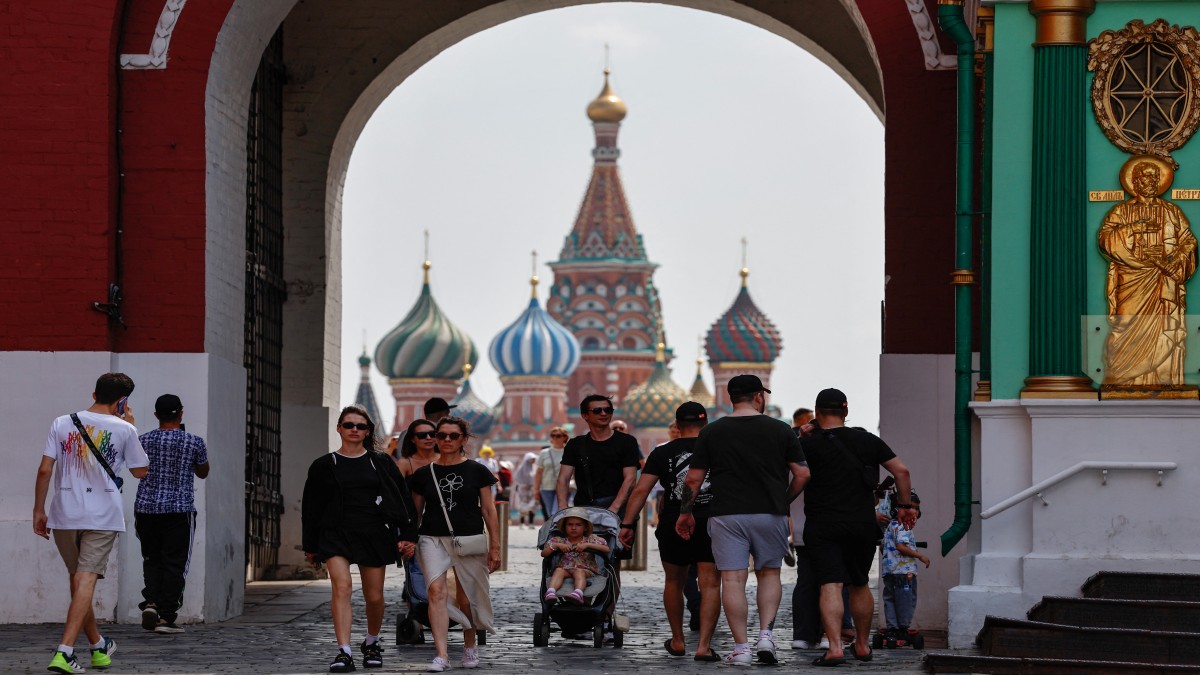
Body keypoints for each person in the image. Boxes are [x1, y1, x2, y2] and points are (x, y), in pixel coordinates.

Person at [676, 374, 808, 666]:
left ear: (731, 397)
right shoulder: (780, 429)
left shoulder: (712, 431)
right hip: (769, 512)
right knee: (769, 573)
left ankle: (742, 648)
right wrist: (783, 500)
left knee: (733, 579)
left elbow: (694, 478)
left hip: (726, 514)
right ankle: (765, 636)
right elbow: (802, 474)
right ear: (759, 396)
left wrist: (685, 512)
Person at [34, 373, 150, 674]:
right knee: (85, 580)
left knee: (77, 580)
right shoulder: (125, 428)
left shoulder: (61, 422)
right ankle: (64, 651)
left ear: (94, 392)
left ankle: (98, 646)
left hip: (64, 513)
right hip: (102, 515)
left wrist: (38, 510)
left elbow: (45, 470)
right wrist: (132, 426)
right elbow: (140, 471)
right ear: (122, 400)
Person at [800, 388, 915, 667]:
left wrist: (804, 431)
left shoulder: (807, 444)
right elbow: (901, 471)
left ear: (817, 413)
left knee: (831, 584)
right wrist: (904, 506)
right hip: (861, 523)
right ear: (846, 412)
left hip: (822, 522)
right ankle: (862, 646)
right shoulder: (867, 440)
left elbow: (794, 472)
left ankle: (836, 647)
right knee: (860, 584)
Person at [302, 404, 418, 672]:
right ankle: (344, 650)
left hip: (374, 532)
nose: (355, 430)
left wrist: (407, 534)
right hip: (335, 534)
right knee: (341, 587)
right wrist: (310, 546)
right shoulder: (323, 465)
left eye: (361, 426)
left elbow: (401, 500)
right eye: (349, 425)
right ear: (339, 428)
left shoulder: (380, 462)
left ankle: (372, 641)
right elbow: (311, 508)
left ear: (368, 431)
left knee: (374, 596)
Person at [621, 402, 722, 662]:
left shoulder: (662, 452)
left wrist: (628, 524)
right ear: (706, 423)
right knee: (710, 583)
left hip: (673, 521)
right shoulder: (718, 447)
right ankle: (704, 645)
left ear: (676, 426)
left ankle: (677, 640)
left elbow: (641, 491)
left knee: (674, 582)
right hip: (711, 521)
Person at [408, 417, 502, 672]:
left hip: (468, 538)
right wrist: (407, 539)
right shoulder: (423, 474)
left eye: (453, 436)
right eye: (442, 435)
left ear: (463, 439)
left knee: (466, 595)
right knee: (436, 592)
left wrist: (495, 546)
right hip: (432, 539)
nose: (446, 440)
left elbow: (489, 511)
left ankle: (469, 645)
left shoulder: (477, 471)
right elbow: (415, 513)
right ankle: (442, 655)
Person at [1099, 156, 1198, 386]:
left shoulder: (1172, 211)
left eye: (1155, 177)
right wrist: (1133, 228)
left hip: (1162, 280)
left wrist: (1173, 260)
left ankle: (1164, 380)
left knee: (1164, 327)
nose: (1152, 181)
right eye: (1146, 176)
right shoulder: (1120, 211)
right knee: (1125, 324)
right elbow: (1105, 240)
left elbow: (1189, 241)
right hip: (1131, 280)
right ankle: (1123, 380)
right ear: (1135, 181)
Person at [134, 394, 210, 634]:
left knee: (151, 558)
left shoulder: (142, 441)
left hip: (146, 509)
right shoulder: (194, 442)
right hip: (179, 510)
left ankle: (151, 602)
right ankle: (166, 616)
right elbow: (203, 472)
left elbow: (136, 469)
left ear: (156, 415)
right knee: (175, 563)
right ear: (181, 413)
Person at [556, 395, 640, 513]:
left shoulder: (627, 442)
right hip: (584, 509)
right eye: (597, 411)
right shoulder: (575, 444)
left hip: (619, 510)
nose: (603, 413)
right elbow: (563, 478)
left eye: (608, 410)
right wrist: (562, 507)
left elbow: (630, 479)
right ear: (585, 416)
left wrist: (613, 509)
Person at [881, 491, 929, 646]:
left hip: (890, 571)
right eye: (911, 507)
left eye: (916, 508)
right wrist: (919, 556)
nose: (914, 511)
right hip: (904, 571)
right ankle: (902, 628)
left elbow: (883, 546)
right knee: (906, 600)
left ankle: (892, 629)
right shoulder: (904, 526)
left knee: (890, 599)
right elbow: (901, 546)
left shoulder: (891, 525)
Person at [542, 508, 611, 605]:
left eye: (578, 525)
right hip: (565, 568)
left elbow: (606, 549)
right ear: (565, 527)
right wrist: (556, 546)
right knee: (558, 570)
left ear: (585, 527)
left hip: (585, 569)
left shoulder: (591, 540)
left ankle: (578, 593)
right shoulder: (559, 541)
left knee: (579, 572)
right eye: (570, 524)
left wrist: (587, 545)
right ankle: (551, 592)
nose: (574, 528)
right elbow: (544, 554)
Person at [534, 427, 568, 518]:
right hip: (546, 487)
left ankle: (558, 530)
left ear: (565, 437)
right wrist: (536, 489)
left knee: (556, 511)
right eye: (553, 436)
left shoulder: (569, 452)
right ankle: (554, 530)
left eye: (558, 436)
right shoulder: (544, 453)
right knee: (550, 513)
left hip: (563, 487)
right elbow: (539, 472)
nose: (555, 438)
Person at [513, 452, 540, 528]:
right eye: (532, 459)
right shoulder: (521, 468)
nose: (533, 461)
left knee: (532, 506)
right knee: (523, 506)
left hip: (532, 489)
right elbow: (517, 477)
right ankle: (522, 523)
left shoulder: (535, 467)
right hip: (523, 490)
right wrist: (524, 485)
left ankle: (531, 523)